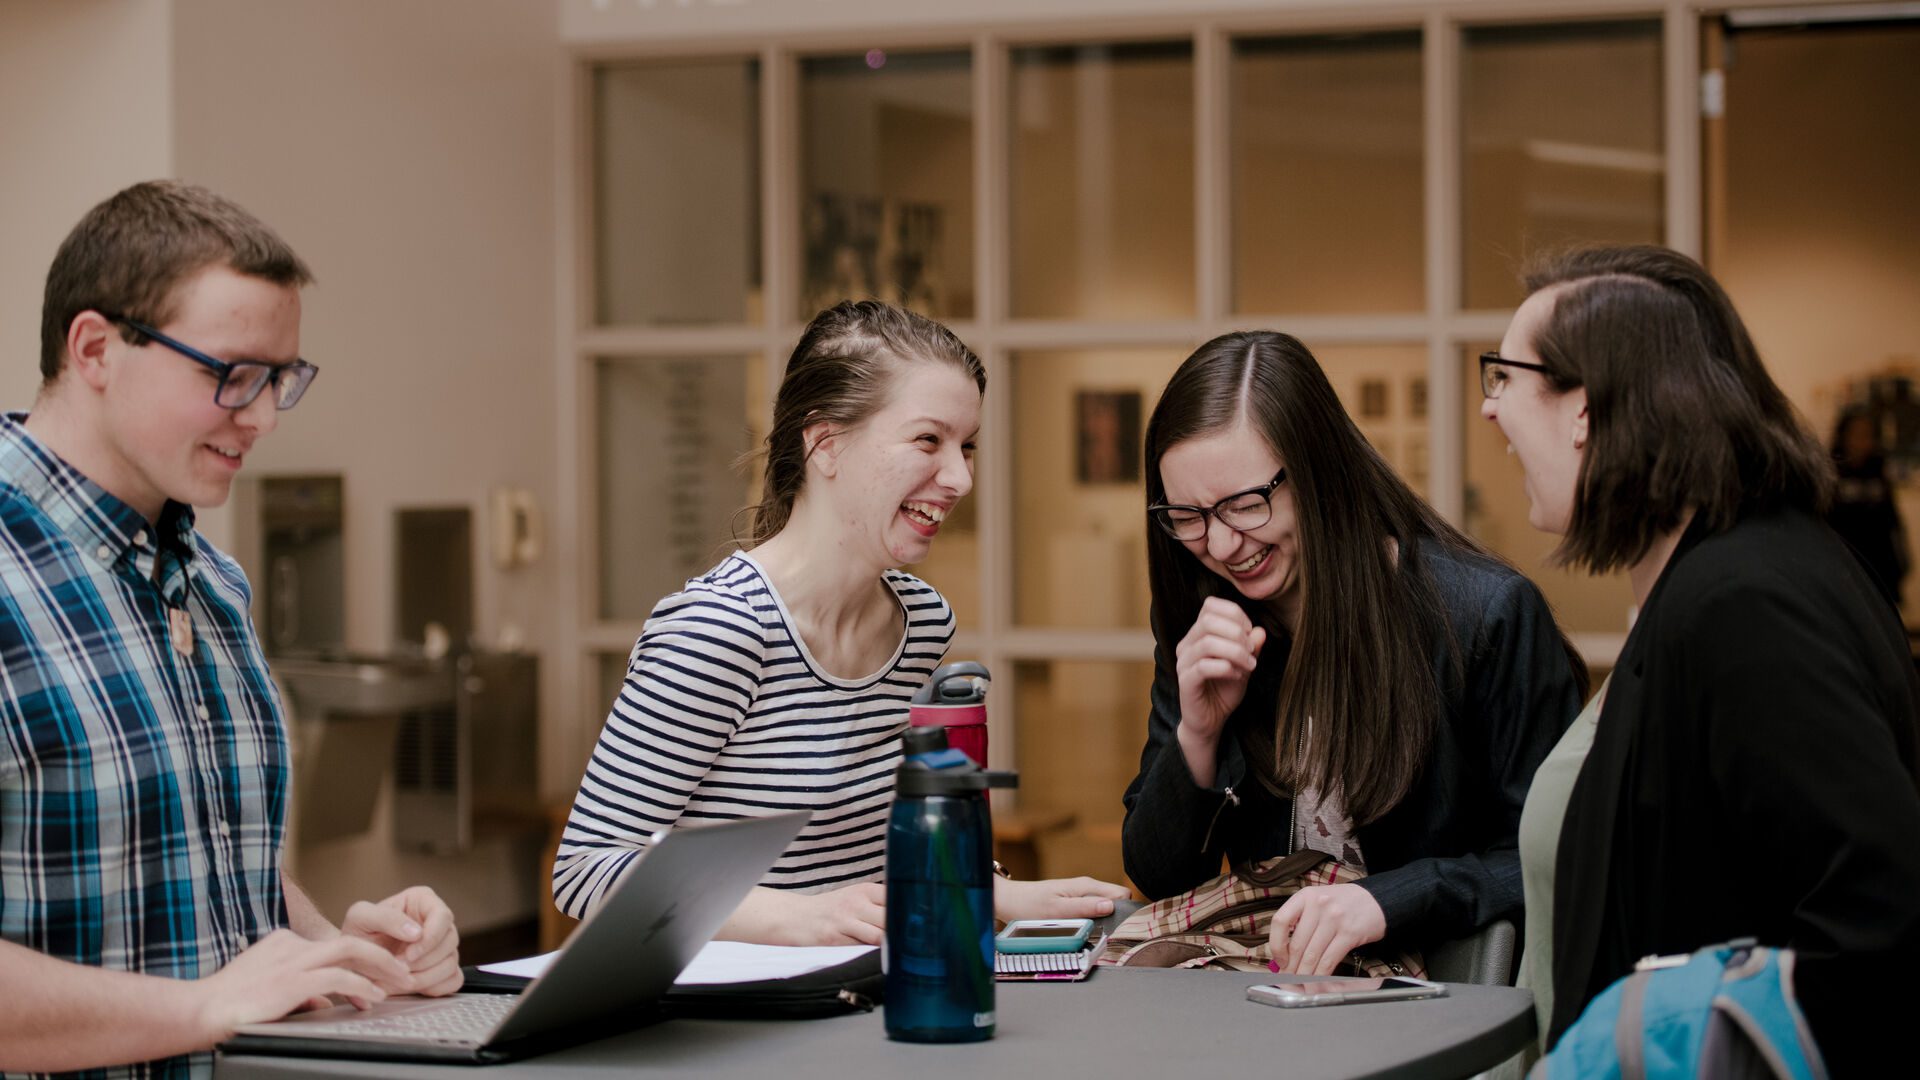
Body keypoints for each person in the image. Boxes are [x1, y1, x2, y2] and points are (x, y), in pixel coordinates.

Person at [0, 181, 463, 1080]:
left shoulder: (213, 582)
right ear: (94, 347)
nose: (258, 416)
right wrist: (204, 1008)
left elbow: (185, 866)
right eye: (230, 374)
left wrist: (335, 949)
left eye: (279, 380)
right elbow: (206, 997)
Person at [553, 300, 1128, 944]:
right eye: (928, 440)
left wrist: (995, 892)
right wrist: (799, 917)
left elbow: (887, 841)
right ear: (825, 443)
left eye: (965, 447)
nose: (961, 477)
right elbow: (588, 871)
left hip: (856, 996)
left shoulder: (921, 621)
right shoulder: (719, 631)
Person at [1481, 244, 1920, 1074]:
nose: (1490, 411)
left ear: (1586, 409)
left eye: (1505, 376)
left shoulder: (1743, 603)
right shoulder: (1725, 576)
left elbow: (1877, 915)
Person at [1121, 330, 1584, 976]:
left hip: (1442, 1006)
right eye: (1188, 516)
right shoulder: (1205, 617)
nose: (1222, 545)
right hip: (1264, 1002)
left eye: (1245, 504)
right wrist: (1198, 733)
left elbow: (1554, 858)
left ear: (1318, 470)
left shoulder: (1485, 617)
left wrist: (1386, 901)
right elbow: (1159, 875)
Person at [1828, 406, 1909, 608]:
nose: (1862, 442)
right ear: (1843, 436)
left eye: (1867, 435)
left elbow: (1891, 517)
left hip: (1879, 562)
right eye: (1856, 435)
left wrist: (1902, 558)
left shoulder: (1878, 468)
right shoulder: (1831, 472)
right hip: (1844, 563)